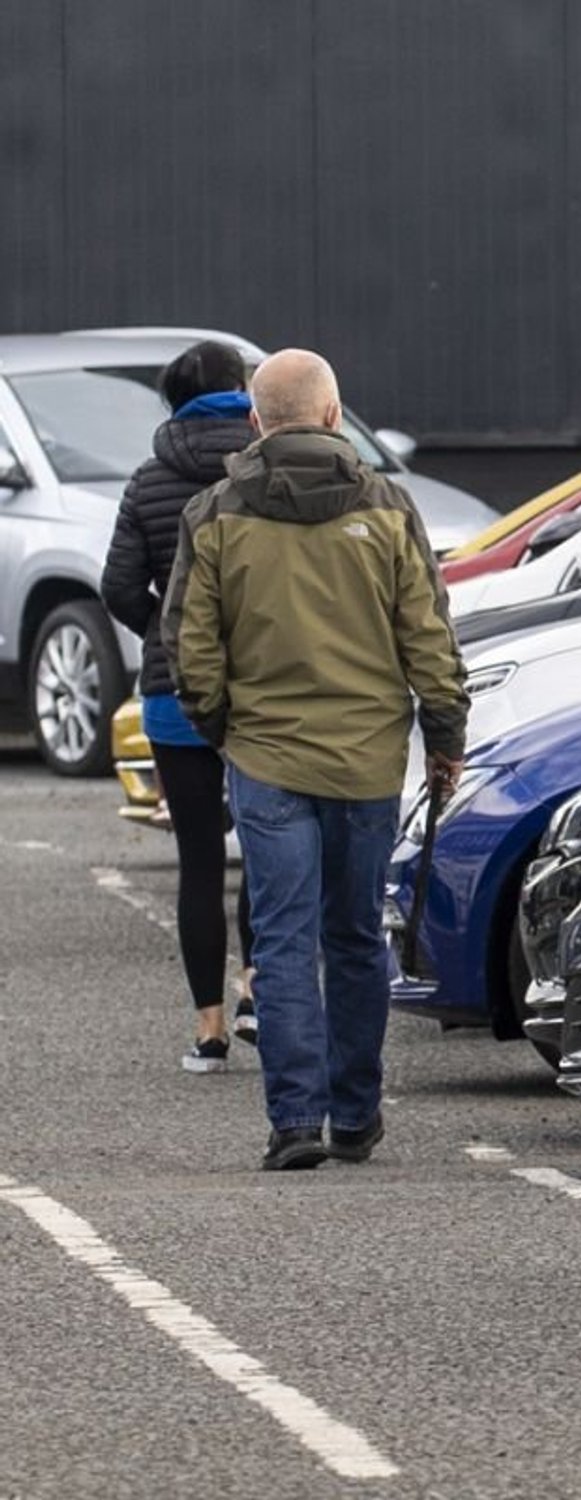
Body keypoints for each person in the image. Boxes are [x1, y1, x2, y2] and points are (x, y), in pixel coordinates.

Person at [163, 349, 468, 1171]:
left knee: (284, 940)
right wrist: (444, 736)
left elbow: (189, 644)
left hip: (265, 756)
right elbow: (428, 638)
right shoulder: (388, 507)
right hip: (367, 758)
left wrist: (221, 724)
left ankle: (294, 1121)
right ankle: (356, 1114)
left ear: (257, 422)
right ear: (335, 416)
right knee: (357, 935)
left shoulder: (216, 513)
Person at [100, 340, 259, 1073]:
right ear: (242, 390)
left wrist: (166, 636)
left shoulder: (148, 479)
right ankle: (259, 989)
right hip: (265, 689)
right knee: (268, 850)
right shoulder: (266, 470)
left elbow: (119, 587)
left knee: (198, 860)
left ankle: (208, 1031)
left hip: (174, 695)